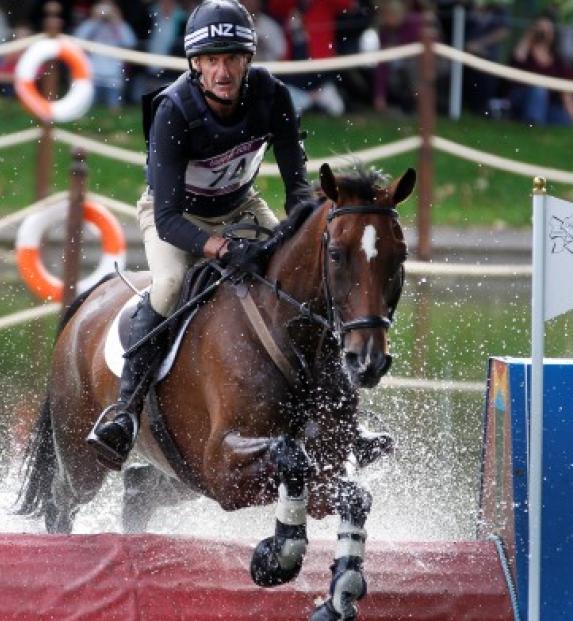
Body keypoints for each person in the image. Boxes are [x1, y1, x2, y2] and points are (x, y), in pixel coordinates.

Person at [87, 0, 393, 472]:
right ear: (195, 64)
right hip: (175, 216)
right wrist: (223, 249)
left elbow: (297, 189)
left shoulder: (272, 96)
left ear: (248, 60)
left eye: (232, 58)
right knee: (169, 287)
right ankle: (125, 412)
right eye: (211, 61)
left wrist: (305, 238)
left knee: (309, 282)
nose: (222, 70)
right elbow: (168, 219)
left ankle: (346, 418)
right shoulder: (172, 110)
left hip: (242, 207)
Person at [508, 15, 573, 126]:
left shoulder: (556, 59)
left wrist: (570, 105)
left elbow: (566, 80)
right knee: (539, 89)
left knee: (567, 119)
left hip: (548, 104)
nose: (543, 33)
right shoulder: (525, 52)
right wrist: (528, 37)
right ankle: (534, 126)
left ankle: (538, 122)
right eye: (540, 28)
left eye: (547, 29)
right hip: (522, 97)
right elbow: (517, 60)